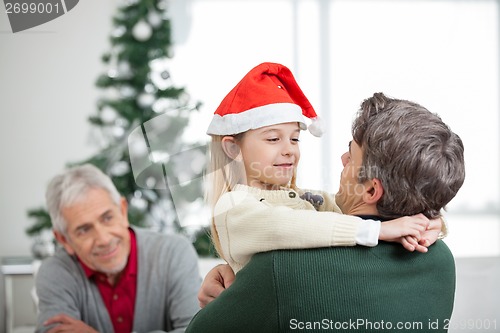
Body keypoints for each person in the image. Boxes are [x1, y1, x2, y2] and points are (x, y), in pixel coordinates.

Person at [186, 92, 465, 333]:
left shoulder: (283, 269)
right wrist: (432, 220)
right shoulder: (441, 262)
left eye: (351, 156)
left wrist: (237, 289)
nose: (342, 159)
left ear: (370, 192)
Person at [204, 62, 436, 275]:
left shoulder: (313, 199)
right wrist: (376, 231)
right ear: (233, 149)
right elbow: (286, 227)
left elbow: (373, 209)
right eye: (273, 139)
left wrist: (429, 225)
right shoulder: (233, 206)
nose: (289, 150)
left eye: (295, 139)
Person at [35, 164, 201, 333]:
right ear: (64, 240)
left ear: (122, 210)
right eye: (84, 229)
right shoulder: (55, 272)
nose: (104, 240)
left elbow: (196, 331)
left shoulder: (174, 253)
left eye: (107, 218)